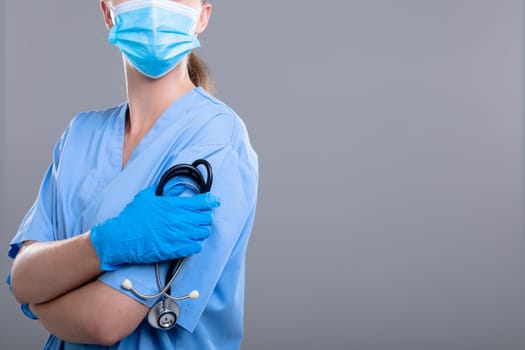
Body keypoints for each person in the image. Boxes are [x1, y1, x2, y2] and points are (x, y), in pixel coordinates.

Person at [6, 0, 258, 349]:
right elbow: (22, 278)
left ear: (202, 16)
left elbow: (105, 321)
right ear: (108, 12)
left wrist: (41, 301)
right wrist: (108, 242)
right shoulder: (80, 135)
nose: (156, 4)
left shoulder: (215, 137)